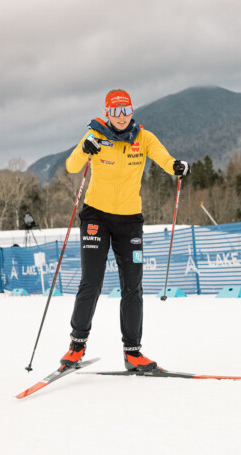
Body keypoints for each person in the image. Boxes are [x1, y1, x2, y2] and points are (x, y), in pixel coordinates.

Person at [61, 89, 190, 371]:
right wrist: (85, 149)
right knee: (91, 282)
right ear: (107, 113)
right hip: (96, 216)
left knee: (133, 286)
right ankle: (76, 346)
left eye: (126, 110)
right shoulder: (95, 136)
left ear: (132, 111)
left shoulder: (143, 138)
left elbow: (163, 158)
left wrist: (176, 167)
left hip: (129, 220)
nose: (121, 117)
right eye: (115, 111)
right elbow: (71, 166)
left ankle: (133, 352)